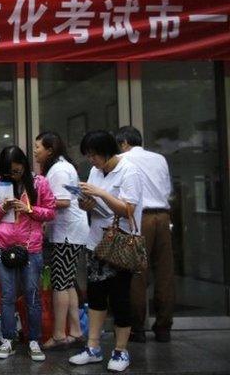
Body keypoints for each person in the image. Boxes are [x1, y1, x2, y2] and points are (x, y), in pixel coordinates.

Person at [69, 130, 143, 372]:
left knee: (120, 299)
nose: (91, 160)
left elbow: (128, 210)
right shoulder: (95, 171)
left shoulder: (129, 171)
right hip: (97, 241)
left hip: (120, 244)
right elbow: (94, 206)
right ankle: (93, 347)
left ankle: (121, 351)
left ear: (107, 151)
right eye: (88, 156)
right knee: (97, 297)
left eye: (94, 155)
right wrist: (85, 201)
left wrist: (100, 193)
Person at [0, 145, 55, 362]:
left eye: (16, 170)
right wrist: (3, 207)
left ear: (24, 165)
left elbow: (51, 211)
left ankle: (34, 340)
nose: (13, 175)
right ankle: (7, 339)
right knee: (7, 296)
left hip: (31, 246)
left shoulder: (39, 182)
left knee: (32, 296)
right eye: (9, 171)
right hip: (5, 245)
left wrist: (29, 210)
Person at [116, 126, 174, 343]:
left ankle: (137, 329)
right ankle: (163, 328)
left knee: (137, 274)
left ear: (123, 143)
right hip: (163, 216)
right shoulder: (159, 159)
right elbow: (167, 189)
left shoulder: (122, 159)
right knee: (165, 274)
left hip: (139, 218)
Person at [33, 131, 89, 350]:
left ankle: (58, 335)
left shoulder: (58, 170)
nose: (35, 151)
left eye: (38, 147)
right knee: (67, 282)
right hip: (70, 232)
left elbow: (63, 201)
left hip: (67, 233)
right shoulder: (63, 167)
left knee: (60, 284)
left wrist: (36, 205)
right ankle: (75, 332)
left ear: (50, 149)